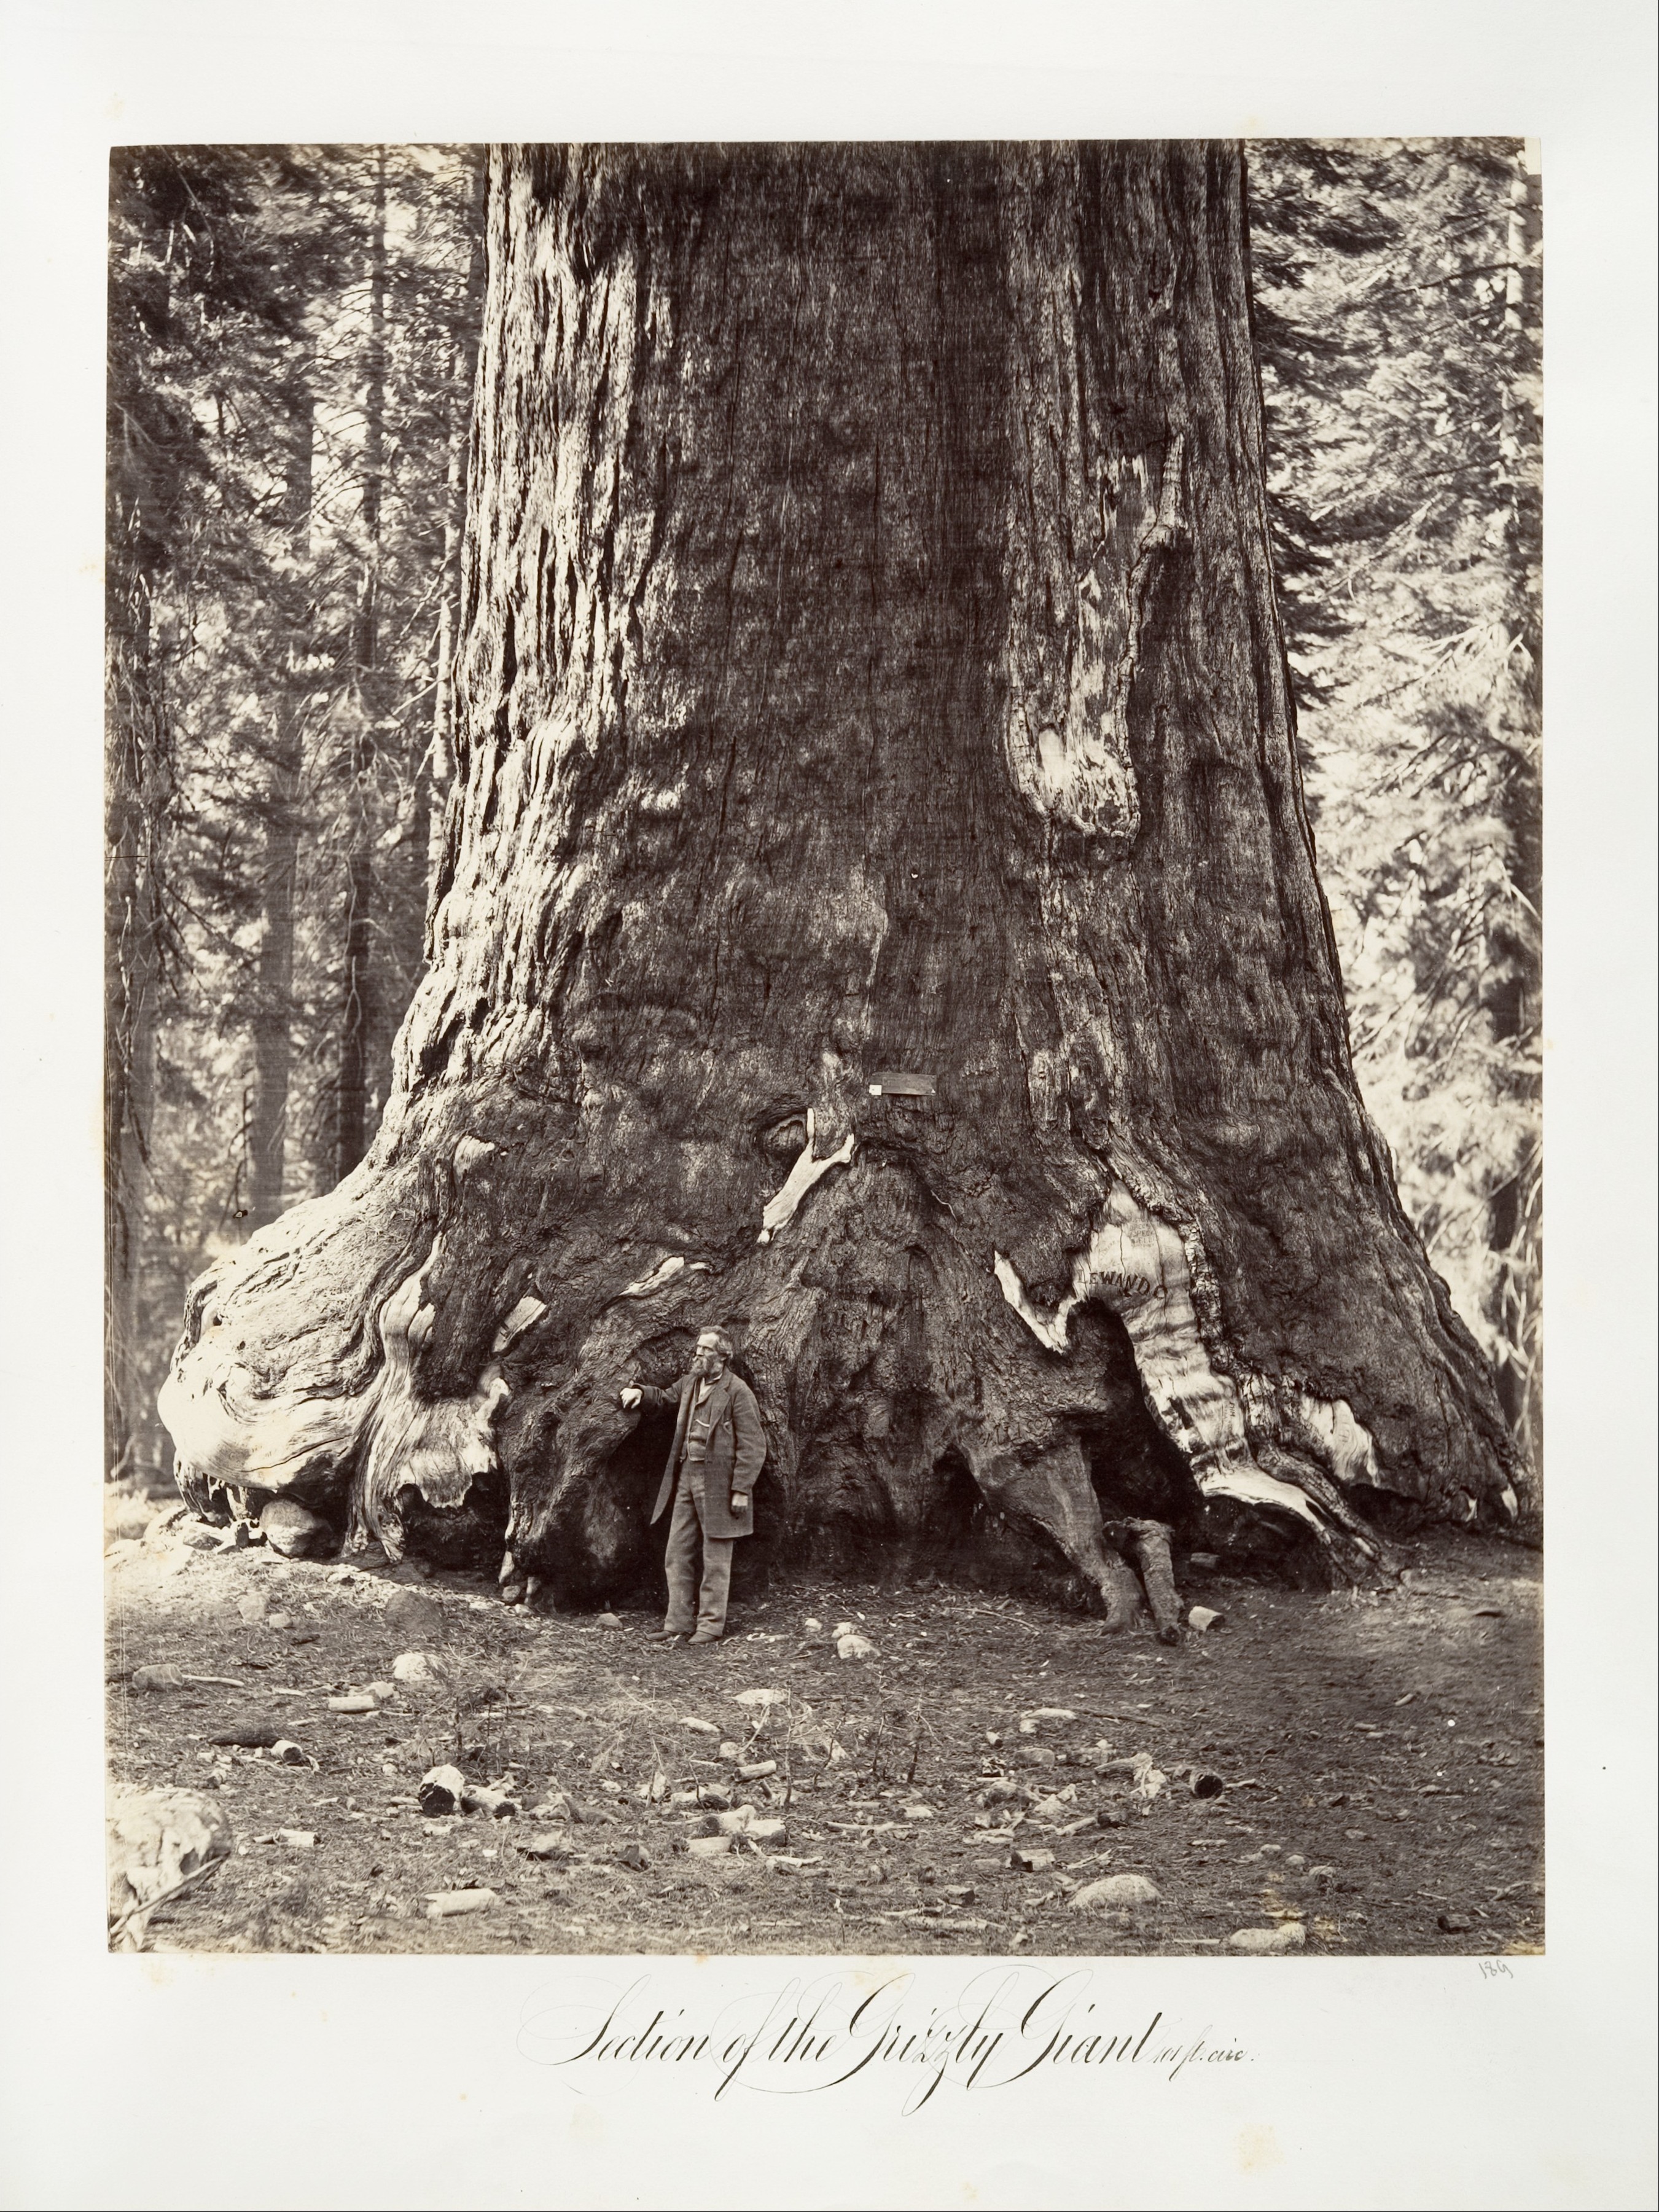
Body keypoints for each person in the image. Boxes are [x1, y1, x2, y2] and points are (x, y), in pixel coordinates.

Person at [619, 1328, 767, 1646]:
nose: (697, 1354)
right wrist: (641, 1394)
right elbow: (664, 1397)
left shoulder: (738, 1392)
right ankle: (677, 1623)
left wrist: (741, 1489)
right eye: (697, 1348)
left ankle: (711, 1627)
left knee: (716, 1558)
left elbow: (753, 1445)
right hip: (686, 1475)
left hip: (720, 1484)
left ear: (723, 1357)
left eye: (706, 1350)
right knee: (677, 1551)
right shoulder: (691, 1383)